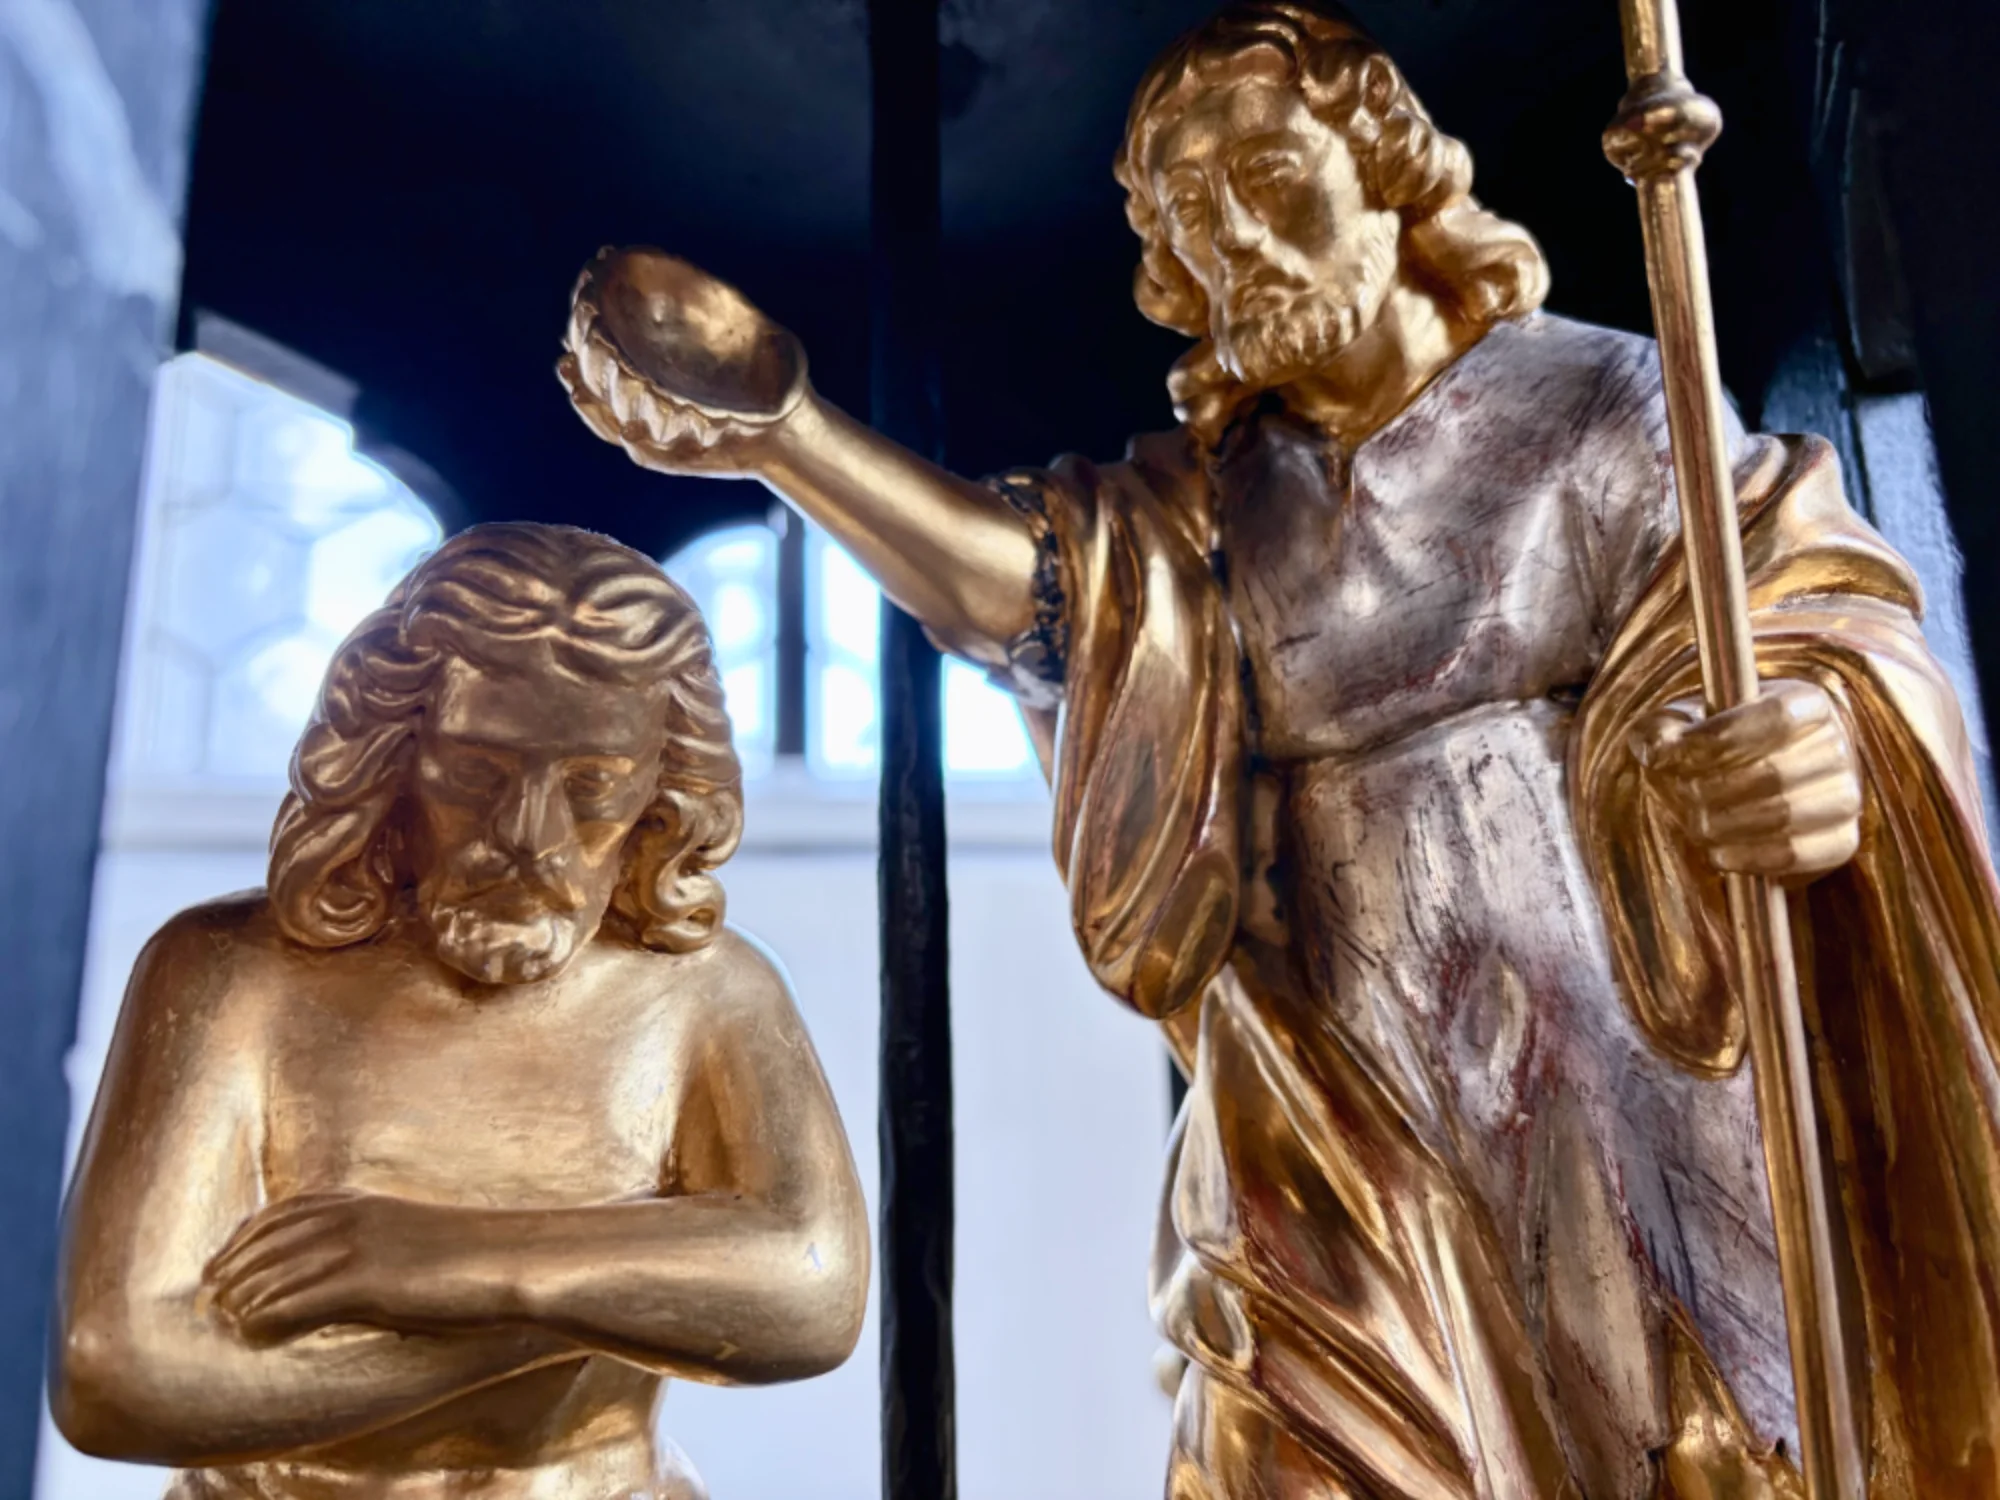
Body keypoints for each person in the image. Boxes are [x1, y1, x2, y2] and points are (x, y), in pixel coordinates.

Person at [562, 5, 2000, 1495]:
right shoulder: (1207, 505)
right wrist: (789, 435)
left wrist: (1817, 741)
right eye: (1190, 215)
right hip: (1321, 1133)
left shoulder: (1602, 408)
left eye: (1266, 176)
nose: (1233, 239)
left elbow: (1808, 625)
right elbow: (1038, 597)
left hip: (1614, 1107)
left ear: (1385, 169)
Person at [50, 523, 869, 1500]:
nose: (528, 836)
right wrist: (594, 1313)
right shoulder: (229, 976)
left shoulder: (708, 993)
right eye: (477, 773)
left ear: (661, 790)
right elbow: (117, 1375)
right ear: (393, 756)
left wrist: (459, 1264)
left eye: (593, 786)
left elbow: (814, 1288)